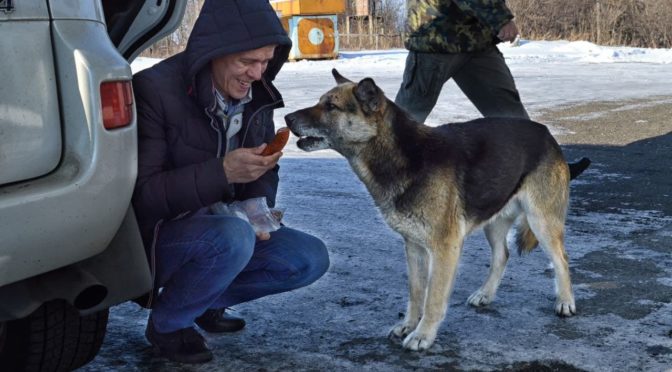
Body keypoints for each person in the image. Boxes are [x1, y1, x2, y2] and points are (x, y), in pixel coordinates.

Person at [131, 0, 329, 364]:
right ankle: (170, 324)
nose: (257, 73)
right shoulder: (154, 91)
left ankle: (199, 300)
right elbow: (142, 196)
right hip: (158, 237)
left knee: (309, 258)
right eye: (247, 61)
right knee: (232, 238)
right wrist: (221, 173)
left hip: (223, 227)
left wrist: (256, 208)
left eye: (266, 62)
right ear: (213, 53)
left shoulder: (256, 95)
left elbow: (264, 170)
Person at [395, 0, 529, 122]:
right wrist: (500, 18)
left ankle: (527, 147)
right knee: (404, 124)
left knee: (513, 119)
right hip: (436, 38)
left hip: (477, 41)